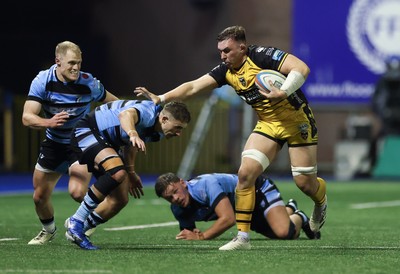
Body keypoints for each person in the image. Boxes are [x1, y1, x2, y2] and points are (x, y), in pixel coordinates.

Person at [135, 25, 327, 250]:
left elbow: (301, 68)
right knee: (245, 174)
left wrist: (283, 92)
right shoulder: (225, 71)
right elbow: (194, 86)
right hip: (268, 125)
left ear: (242, 48)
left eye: (227, 50)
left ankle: (320, 202)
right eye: (220, 51)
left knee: (304, 183)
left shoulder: (262, 56)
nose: (223, 56)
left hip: (297, 122)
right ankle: (242, 239)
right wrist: (161, 97)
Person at [22, 41, 119, 245]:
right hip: (54, 143)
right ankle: (48, 230)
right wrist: (49, 122)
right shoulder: (43, 80)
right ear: (58, 61)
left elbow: (115, 103)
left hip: (80, 142)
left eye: (79, 63)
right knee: (39, 196)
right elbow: (27, 117)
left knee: (77, 193)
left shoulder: (89, 83)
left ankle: (81, 223)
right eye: (71, 63)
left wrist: (123, 118)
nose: (76, 68)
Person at [65, 100, 191, 250]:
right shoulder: (148, 112)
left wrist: (131, 173)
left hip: (109, 143)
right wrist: (133, 133)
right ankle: (76, 222)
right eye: (177, 127)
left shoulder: (159, 132)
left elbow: (131, 146)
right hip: (89, 130)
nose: (179, 133)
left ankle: (81, 230)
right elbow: (125, 115)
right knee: (117, 173)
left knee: (119, 200)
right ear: (164, 119)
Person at [155, 172, 320, 244]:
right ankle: (288, 209)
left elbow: (228, 219)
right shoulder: (177, 210)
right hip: (243, 209)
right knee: (282, 236)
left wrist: (203, 236)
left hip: (257, 189)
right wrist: (194, 234)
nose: (175, 198)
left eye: (175, 191)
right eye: (169, 198)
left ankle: (301, 217)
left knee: (285, 232)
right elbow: (189, 234)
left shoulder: (206, 185)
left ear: (182, 182)